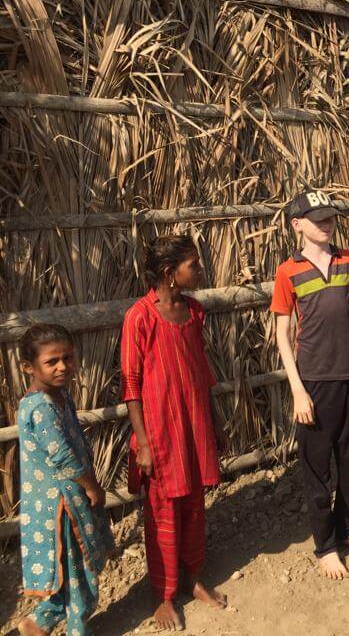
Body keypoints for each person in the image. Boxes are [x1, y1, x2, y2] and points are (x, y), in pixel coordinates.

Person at [270, 191, 349, 579]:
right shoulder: (288, 272)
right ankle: (325, 546)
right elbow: (282, 334)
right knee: (317, 469)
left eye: (330, 217)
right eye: (316, 218)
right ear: (297, 225)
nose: (326, 223)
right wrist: (297, 389)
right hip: (314, 383)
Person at [121, 235, 228, 629]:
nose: (199, 271)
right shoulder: (140, 317)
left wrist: (214, 423)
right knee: (163, 512)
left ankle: (194, 579)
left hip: (194, 423)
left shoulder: (195, 311)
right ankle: (163, 595)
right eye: (193, 265)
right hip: (161, 432)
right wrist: (144, 444)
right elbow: (131, 386)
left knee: (195, 507)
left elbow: (202, 370)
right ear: (170, 273)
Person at [17, 324, 114, 636]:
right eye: (52, 361)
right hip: (62, 506)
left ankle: (38, 623)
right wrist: (91, 485)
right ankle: (77, 629)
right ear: (28, 368)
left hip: (68, 499)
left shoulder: (60, 396)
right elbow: (63, 457)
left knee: (70, 571)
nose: (63, 366)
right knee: (78, 573)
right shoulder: (40, 407)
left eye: (68, 358)